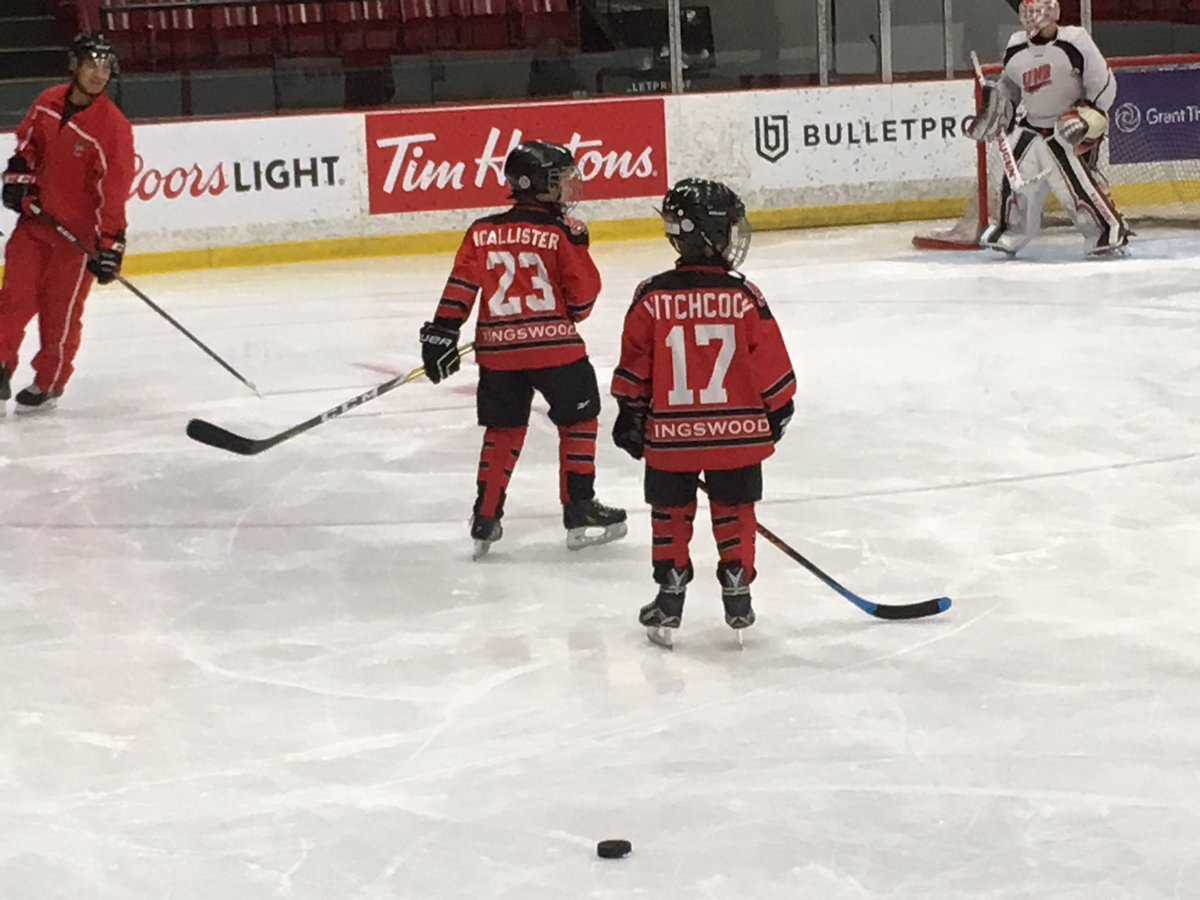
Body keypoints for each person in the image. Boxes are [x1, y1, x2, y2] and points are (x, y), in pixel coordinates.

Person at [419, 140, 627, 560]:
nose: (568, 188)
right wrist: (578, 257)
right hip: (557, 353)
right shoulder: (559, 233)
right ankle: (580, 508)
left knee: (504, 429)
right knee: (580, 419)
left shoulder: (481, 231)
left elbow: (461, 287)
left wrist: (443, 331)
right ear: (536, 185)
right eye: (560, 180)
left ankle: (486, 515)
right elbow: (584, 299)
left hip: (497, 355)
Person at [610, 178, 796, 647]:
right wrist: (774, 415)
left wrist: (632, 419)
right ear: (711, 233)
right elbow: (775, 374)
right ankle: (738, 590)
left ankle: (669, 596)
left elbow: (634, 372)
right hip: (739, 434)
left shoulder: (651, 297)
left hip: (671, 438)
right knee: (735, 510)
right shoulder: (744, 295)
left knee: (670, 512)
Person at [0, 33, 135, 412]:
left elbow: (114, 191)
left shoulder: (113, 128)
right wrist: (17, 182)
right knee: (13, 300)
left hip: (76, 241)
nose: (98, 73)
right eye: (91, 63)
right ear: (75, 65)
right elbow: (27, 149)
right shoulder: (47, 102)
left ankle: (49, 382)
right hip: (34, 224)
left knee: (60, 315)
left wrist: (111, 246)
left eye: (105, 66)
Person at [966, 0, 1130, 257]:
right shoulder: (1016, 45)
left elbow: (1103, 87)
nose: (1030, 18)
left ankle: (1104, 231)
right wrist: (996, 108)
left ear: (1053, 12)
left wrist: (1089, 118)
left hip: (1067, 126)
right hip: (1031, 125)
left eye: (1036, 11)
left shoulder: (1075, 41)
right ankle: (1008, 229)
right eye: (1026, 12)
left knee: (1075, 186)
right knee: (1009, 178)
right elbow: (1011, 86)